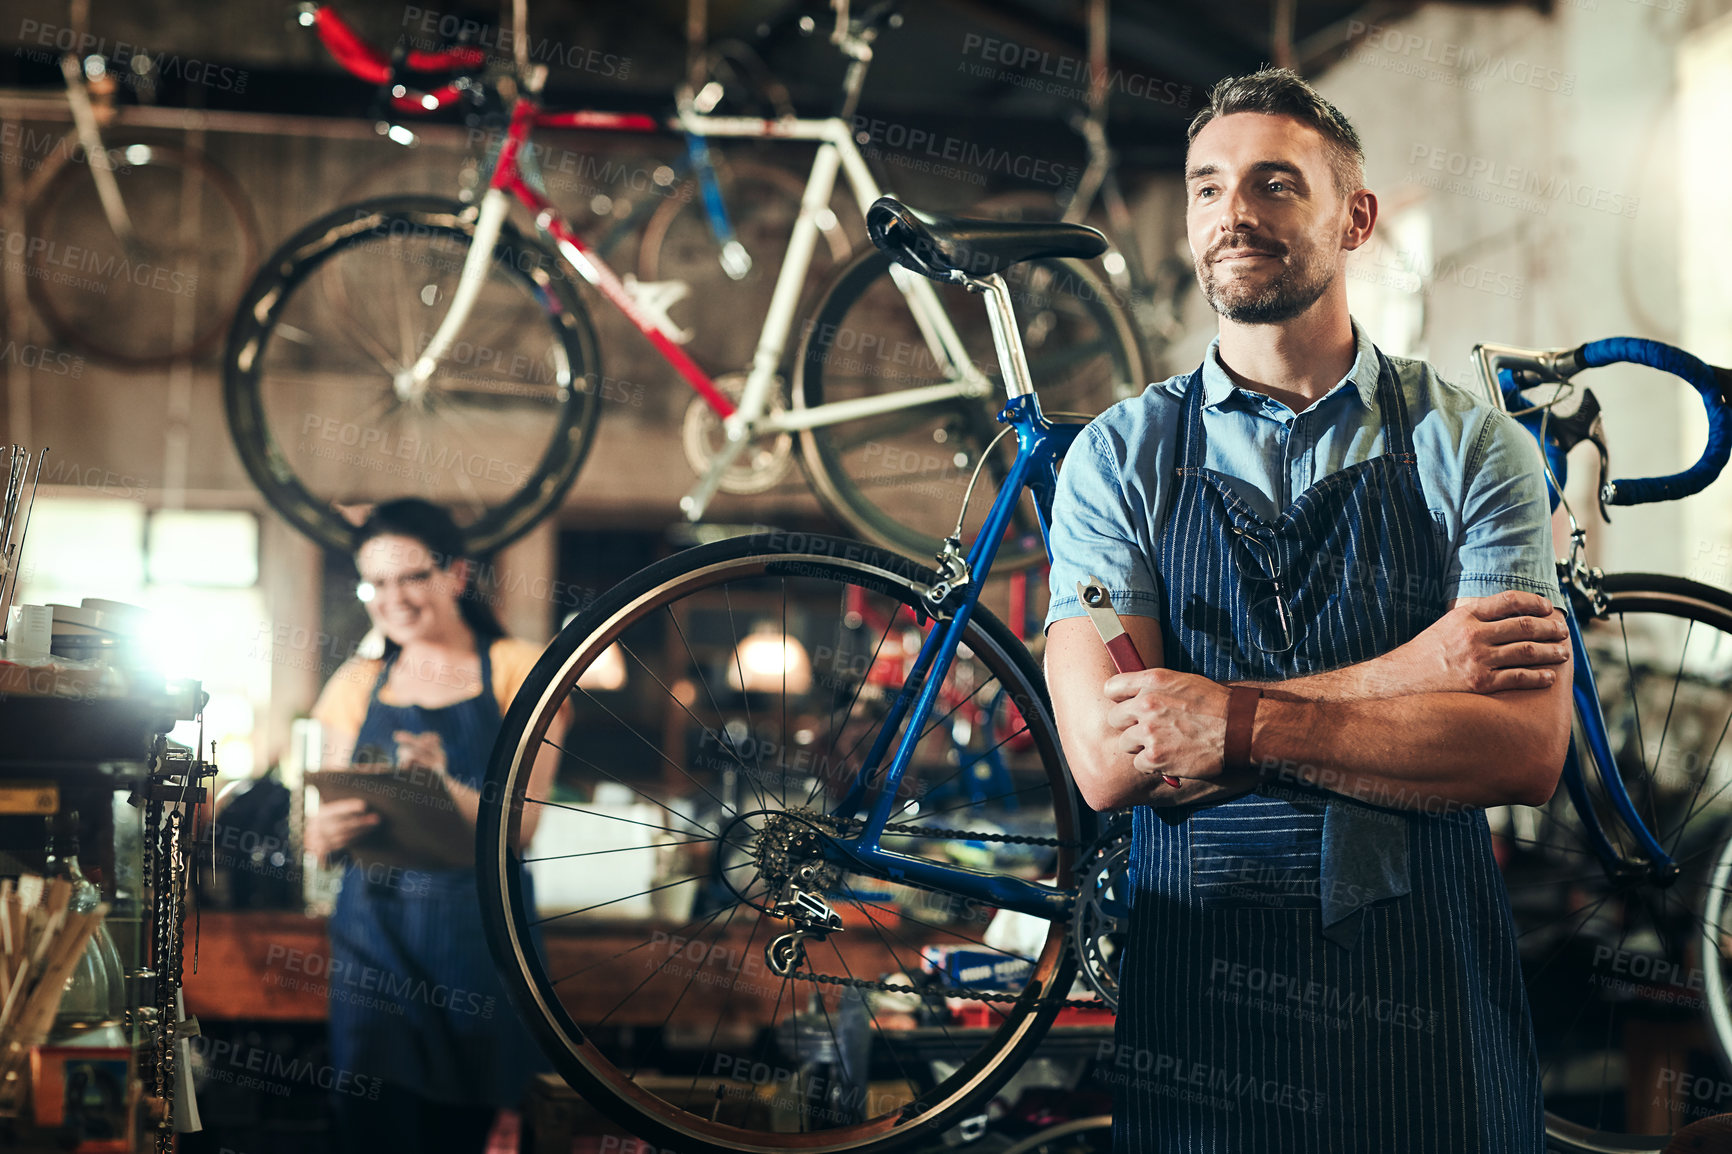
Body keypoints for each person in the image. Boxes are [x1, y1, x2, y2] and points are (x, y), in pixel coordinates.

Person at [1044, 69, 1572, 1152]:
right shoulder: (1117, 458)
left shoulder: (1473, 448)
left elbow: (1520, 747)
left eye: (1275, 183)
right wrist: (1407, 673)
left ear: (1355, 217)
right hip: (1198, 1016)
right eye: (1205, 188)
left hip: (1427, 1018)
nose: (1231, 213)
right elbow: (1110, 757)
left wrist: (1223, 723)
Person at [305, 499, 563, 1154]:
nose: (394, 599)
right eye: (377, 584)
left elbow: (520, 829)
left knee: (466, 1128)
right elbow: (312, 833)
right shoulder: (358, 681)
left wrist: (438, 787)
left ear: (456, 574)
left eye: (411, 577)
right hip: (374, 934)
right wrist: (325, 833)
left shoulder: (522, 671)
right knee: (371, 1122)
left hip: (479, 938)